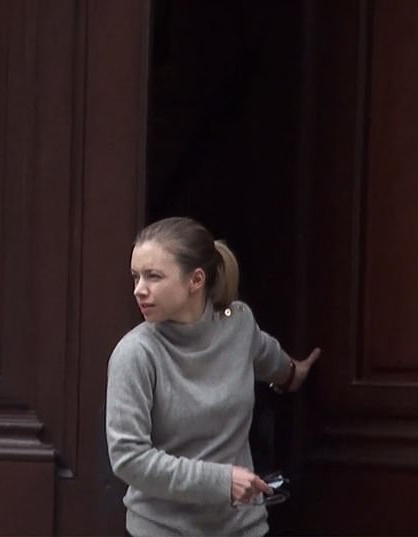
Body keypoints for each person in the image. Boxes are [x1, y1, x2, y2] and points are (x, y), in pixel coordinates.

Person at [105, 216, 320, 537]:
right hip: (165, 530)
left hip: (243, 527)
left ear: (196, 280)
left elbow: (275, 363)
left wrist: (295, 373)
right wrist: (221, 481)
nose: (139, 290)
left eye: (153, 276)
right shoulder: (135, 354)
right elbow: (129, 458)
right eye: (135, 277)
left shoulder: (239, 325)